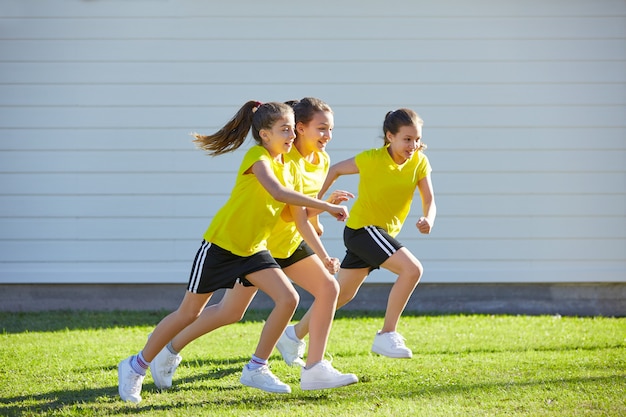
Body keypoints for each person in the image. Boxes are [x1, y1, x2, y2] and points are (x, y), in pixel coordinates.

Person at [117, 101, 350, 403]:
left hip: (254, 250)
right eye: (285, 129)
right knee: (190, 312)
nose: (291, 135)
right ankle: (136, 365)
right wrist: (328, 206)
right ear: (265, 134)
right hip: (222, 246)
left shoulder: (287, 166)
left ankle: (256, 367)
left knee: (288, 298)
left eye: (292, 129)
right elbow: (279, 193)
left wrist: (318, 226)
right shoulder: (257, 157)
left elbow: (294, 212)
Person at [277, 108, 436, 364]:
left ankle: (292, 336)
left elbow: (430, 200)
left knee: (341, 295)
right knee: (412, 270)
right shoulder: (371, 159)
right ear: (390, 136)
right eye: (407, 139)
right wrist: (316, 204)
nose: (413, 145)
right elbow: (336, 169)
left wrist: (428, 219)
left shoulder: (420, 162)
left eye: (416, 139)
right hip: (363, 230)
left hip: (378, 235)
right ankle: (387, 333)